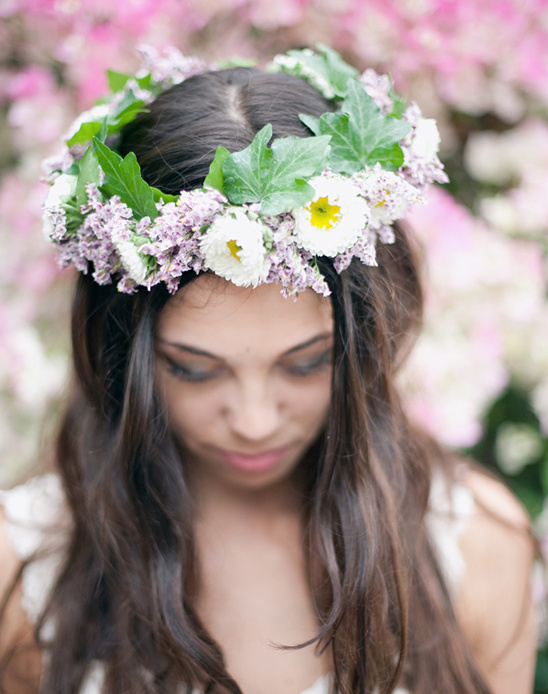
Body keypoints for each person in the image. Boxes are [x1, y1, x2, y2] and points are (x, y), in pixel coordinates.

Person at [0, 46, 538, 694]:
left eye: (306, 364)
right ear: (120, 352)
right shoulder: (25, 568)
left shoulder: (475, 546)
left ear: (367, 343)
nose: (254, 422)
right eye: (194, 370)